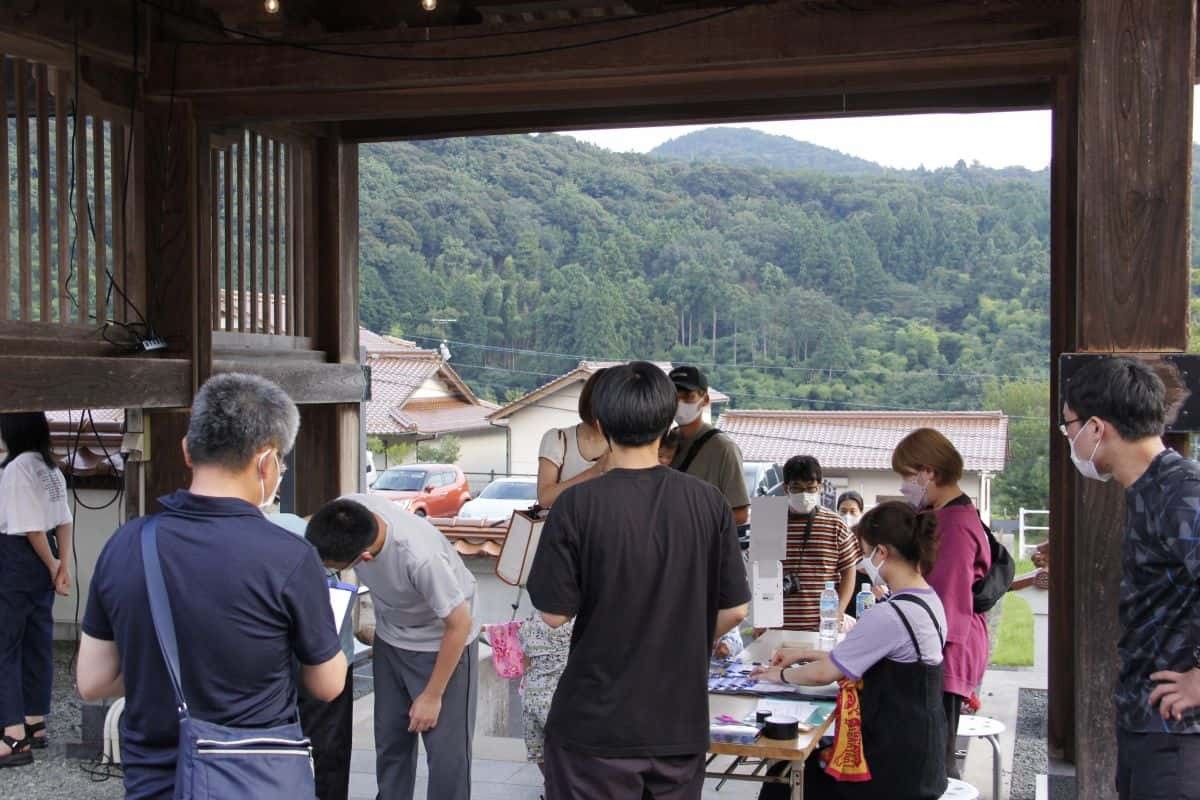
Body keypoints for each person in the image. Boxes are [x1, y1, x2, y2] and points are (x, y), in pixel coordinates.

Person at [76, 373, 347, 799]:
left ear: (187, 450)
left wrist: (165, 672)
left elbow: (92, 681)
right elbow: (328, 684)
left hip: (156, 783)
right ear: (267, 463)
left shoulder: (127, 545)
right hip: (257, 778)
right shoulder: (290, 557)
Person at [527, 361, 751, 799]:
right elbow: (736, 608)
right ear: (667, 420)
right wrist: (681, 640)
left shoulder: (576, 505)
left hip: (594, 725)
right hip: (678, 723)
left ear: (600, 423)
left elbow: (553, 614)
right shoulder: (707, 502)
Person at [1061, 357, 1200, 799]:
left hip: (1178, 738)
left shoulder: (1183, 492)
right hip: (1144, 723)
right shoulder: (1149, 488)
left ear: (1096, 427)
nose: (1068, 437)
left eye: (1069, 426)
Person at [751, 501, 948, 800]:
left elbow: (823, 675)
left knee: (785, 775)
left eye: (865, 553)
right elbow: (866, 656)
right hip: (921, 756)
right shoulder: (927, 601)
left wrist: (780, 675)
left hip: (889, 767)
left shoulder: (890, 615)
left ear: (882, 553)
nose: (862, 563)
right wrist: (802, 655)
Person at [306, 493, 479, 800]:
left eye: (331, 567)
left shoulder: (420, 557)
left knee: (446, 758)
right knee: (391, 744)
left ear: (365, 558)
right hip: (390, 640)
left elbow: (459, 624)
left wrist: (432, 695)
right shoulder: (346, 512)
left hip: (440, 644)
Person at [891, 427, 990, 779]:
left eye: (907, 475)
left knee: (934, 764)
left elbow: (945, 604)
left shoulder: (955, 524)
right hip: (944, 646)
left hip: (945, 652)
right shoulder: (947, 515)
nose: (905, 485)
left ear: (928, 471)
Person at [269, 512, 377, 800]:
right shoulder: (318, 569)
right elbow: (328, 686)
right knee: (326, 753)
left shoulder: (283, 525)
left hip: (266, 658)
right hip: (322, 662)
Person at [0, 413, 72, 768]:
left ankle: (10, 737)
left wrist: (50, 564)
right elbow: (64, 521)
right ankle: (35, 722)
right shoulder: (51, 467)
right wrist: (62, 566)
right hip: (44, 564)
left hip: (16, 560)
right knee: (36, 642)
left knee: (5, 645)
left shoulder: (15, 469)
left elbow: (30, 529)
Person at [776, 456, 859, 632]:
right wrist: (759, 616)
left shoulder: (835, 524)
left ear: (820, 488)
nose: (804, 494)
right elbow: (756, 573)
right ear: (785, 488)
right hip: (776, 626)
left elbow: (849, 572)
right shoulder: (769, 522)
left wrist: (839, 612)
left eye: (811, 488)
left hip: (822, 627)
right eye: (796, 488)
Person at [668, 365, 750, 525]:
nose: (679, 403)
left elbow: (740, 514)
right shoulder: (664, 442)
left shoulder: (723, 448)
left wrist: (691, 520)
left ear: (705, 400)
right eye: (674, 397)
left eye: (688, 396)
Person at [536, 368, 610, 507]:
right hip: (564, 526)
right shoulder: (557, 439)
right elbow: (545, 498)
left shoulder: (623, 443)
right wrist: (595, 471)